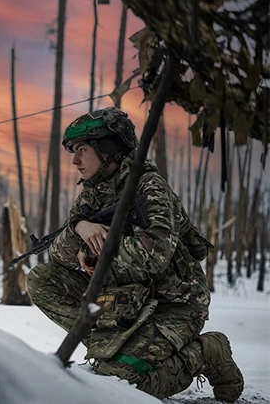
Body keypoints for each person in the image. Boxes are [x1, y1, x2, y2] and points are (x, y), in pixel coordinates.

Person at [26, 107, 244, 402]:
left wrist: (98, 253)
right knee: (42, 279)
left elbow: (154, 257)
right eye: (72, 152)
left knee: (122, 384)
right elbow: (59, 258)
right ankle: (112, 351)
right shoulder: (91, 195)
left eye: (82, 150)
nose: (75, 160)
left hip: (174, 305)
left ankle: (206, 352)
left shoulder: (148, 187)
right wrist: (81, 227)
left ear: (107, 150)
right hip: (124, 301)